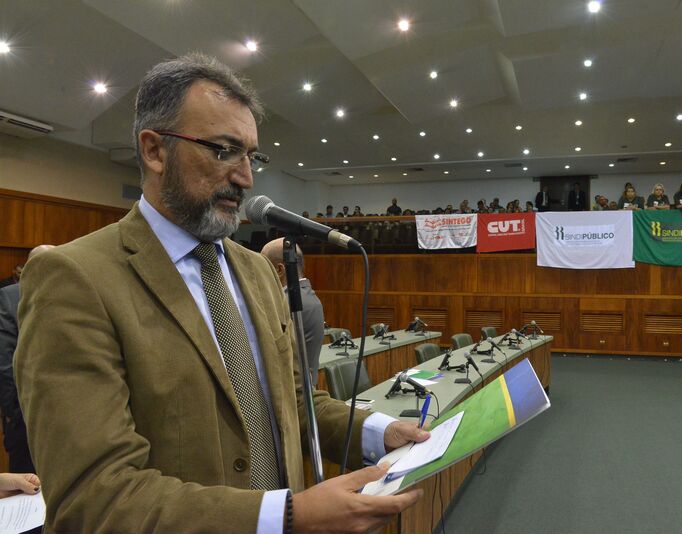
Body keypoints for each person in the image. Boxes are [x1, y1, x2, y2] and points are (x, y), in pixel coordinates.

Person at [15, 54, 427, 533]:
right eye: (223, 150)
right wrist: (286, 517)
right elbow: (93, 496)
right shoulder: (74, 277)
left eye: (251, 155)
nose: (245, 177)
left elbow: (294, 405)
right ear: (155, 150)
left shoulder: (257, 272)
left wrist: (380, 432)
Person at [0, 245, 54, 475]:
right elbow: (5, 360)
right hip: (26, 416)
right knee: (25, 483)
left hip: (62, 418)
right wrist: (14, 411)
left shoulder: (73, 293)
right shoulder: (10, 296)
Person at [261, 239, 324, 386]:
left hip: (290, 391)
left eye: (262, 266)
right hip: (304, 387)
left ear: (279, 270)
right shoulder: (309, 296)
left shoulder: (287, 302)